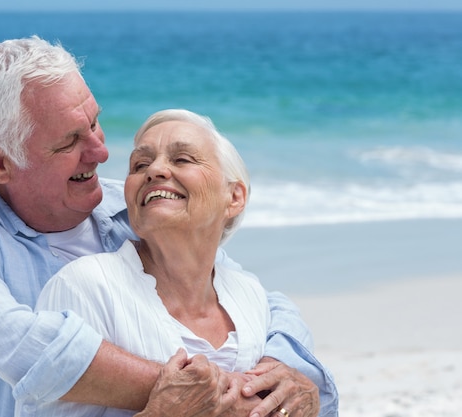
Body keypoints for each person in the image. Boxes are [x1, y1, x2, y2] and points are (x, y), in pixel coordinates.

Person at [0, 36, 338, 417]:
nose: (100, 151)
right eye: (68, 142)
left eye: (93, 122)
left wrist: (288, 370)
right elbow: (22, 344)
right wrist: (205, 395)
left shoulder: (130, 203)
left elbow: (242, 291)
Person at [18, 109, 336, 417]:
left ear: (234, 198)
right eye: (140, 164)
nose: (154, 171)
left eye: (182, 159)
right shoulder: (86, 287)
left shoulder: (250, 294)